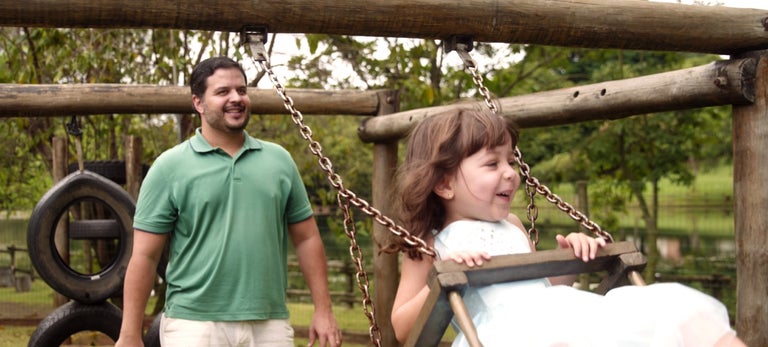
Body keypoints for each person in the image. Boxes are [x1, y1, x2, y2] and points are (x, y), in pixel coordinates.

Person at [388, 109, 746, 347]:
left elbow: (537, 287)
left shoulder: (511, 224)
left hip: (557, 315)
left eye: (510, 160)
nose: (511, 173)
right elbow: (403, 326)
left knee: (681, 312)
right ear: (445, 183)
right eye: (491, 163)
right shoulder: (428, 243)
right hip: (507, 336)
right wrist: (445, 273)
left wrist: (570, 259)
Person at [115, 56, 342, 347]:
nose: (236, 98)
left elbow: (307, 238)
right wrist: (130, 333)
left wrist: (324, 310)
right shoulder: (169, 167)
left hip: (269, 323)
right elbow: (145, 256)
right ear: (198, 103)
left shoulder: (279, 161)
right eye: (223, 92)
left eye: (242, 90)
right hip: (194, 326)